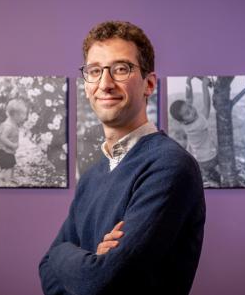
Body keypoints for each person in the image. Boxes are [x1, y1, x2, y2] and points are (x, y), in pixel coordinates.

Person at [39, 21, 206, 295]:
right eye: (94, 71)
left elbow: (102, 283)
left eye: (120, 69)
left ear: (148, 84)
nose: (105, 84)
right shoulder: (92, 176)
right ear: (86, 84)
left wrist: (62, 253)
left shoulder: (170, 166)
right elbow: (45, 270)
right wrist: (85, 260)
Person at [169, 76, 221, 185]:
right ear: (183, 120)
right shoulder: (197, 124)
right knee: (222, 156)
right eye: (188, 113)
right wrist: (204, 86)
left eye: (190, 107)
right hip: (209, 159)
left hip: (199, 159)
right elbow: (207, 105)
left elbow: (188, 98)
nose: (192, 111)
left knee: (209, 173)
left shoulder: (185, 123)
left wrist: (188, 81)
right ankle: (213, 178)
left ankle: (209, 175)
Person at [0, 98, 28, 185]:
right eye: (23, 115)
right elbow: (2, 137)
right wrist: (12, 145)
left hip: (7, 151)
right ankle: (7, 182)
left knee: (11, 165)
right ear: (15, 115)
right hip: (4, 151)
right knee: (8, 167)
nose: (24, 118)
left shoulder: (12, 123)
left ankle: (9, 179)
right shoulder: (9, 126)